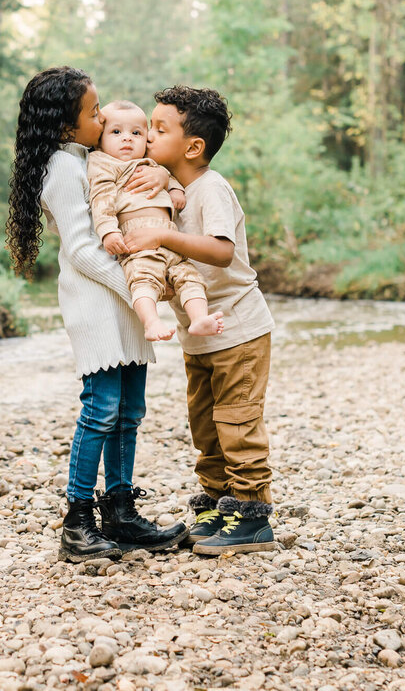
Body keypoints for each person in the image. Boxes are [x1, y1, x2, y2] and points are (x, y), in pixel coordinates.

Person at [6, 67, 187, 562]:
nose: (103, 115)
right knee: (102, 410)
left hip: (123, 297)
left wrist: (156, 175)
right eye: (93, 111)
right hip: (97, 300)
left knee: (129, 412)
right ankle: (78, 521)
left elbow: (127, 181)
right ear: (67, 125)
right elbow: (83, 250)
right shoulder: (61, 168)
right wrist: (139, 289)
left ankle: (122, 512)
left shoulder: (85, 156)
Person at [126, 85, 278, 555]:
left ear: (193, 146)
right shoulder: (173, 188)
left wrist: (162, 237)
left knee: (237, 420)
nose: (148, 136)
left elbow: (220, 250)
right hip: (201, 338)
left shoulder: (211, 188)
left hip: (238, 329)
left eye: (159, 128)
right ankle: (217, 503)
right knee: (205, 425)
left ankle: (253, 513)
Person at [88, 100, 225, 342]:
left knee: (190, 277)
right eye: (116, 132)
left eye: (137, 133)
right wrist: (109, 232)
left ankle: (199, 318)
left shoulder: (153, 164)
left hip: (170, 239)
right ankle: (151, 322)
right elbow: (101, 199)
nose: (128, 139)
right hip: (137, 240)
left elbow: (171, 178)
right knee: (143, 279)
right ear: (99, 140)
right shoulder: (103, 163)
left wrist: (174, 189)